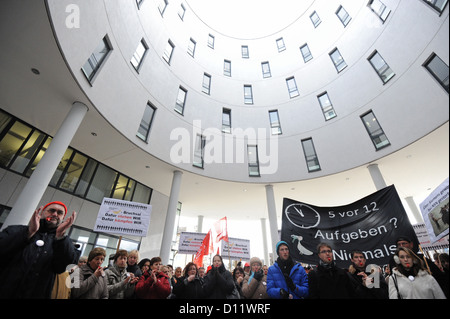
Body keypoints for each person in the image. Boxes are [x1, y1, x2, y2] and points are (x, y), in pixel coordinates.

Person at [0, 201, 79, 298]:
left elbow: (63, 267)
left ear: (63, 218)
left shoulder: (63, 242)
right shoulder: (17, 230)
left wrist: (60, 237)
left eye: (59, 213)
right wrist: (29, 232)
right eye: (51, 210)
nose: (55, 214)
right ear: (42, 213)